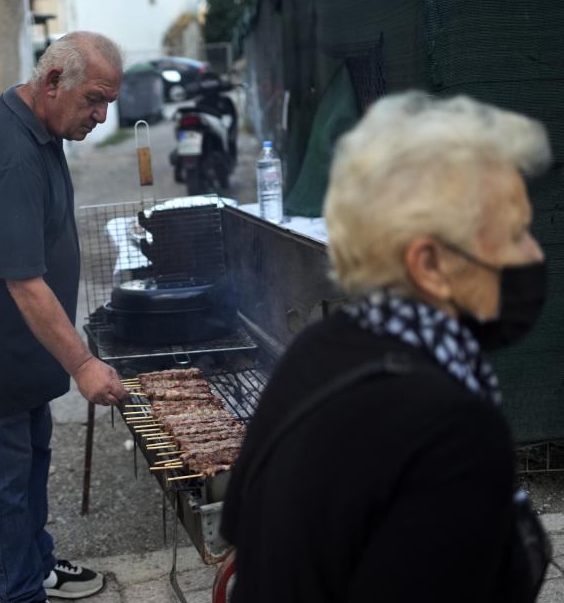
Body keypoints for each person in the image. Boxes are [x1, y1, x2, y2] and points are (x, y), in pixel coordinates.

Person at [221, 92, 553, 603]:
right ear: (429, 264)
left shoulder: (317, 350)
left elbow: (244, 528)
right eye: (513, 234)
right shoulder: (454, 430)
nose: (533, 253)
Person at [0, 31, 128, 603]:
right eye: (94, 100)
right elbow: (23, 281)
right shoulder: (6, 150)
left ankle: (38, 564)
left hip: (24, 348)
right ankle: (20, 591)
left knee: (33, 463)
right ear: (54, 81)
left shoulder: (42, 125)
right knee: (4, 488)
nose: (101, 116)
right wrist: (83, 363)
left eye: (109, 102)